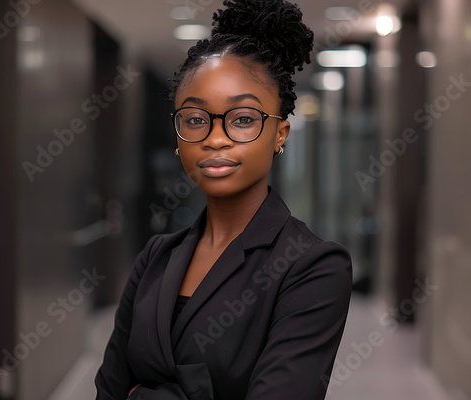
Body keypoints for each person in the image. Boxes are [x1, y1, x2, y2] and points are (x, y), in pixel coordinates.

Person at [95, 0, 352, 399]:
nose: (215, 138)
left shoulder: (312, 267)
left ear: (280, 134)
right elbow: (108, 390)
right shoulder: (156, 257)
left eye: (243, 119)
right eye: (196, 119)